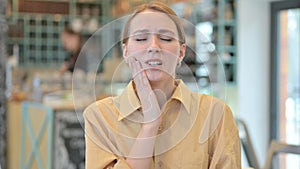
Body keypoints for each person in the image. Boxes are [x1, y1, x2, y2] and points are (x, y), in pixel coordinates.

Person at [83, 1, 241, 169]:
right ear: (126, 51)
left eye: (165, 38)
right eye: (141, 38)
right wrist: (150, 125)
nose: (153, 47)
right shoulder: (98, 117)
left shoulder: (216, 114)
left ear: (181, 52)